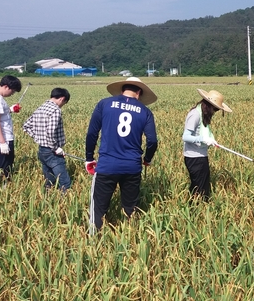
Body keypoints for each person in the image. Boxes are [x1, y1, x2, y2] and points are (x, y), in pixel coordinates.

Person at [86, 77, 158, 233]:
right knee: (130, 208)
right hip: (132, 166)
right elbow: (152, 141)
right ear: (139, 93)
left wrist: (89, 158)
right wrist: (147, 159)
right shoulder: (145, 111)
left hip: (106, 165)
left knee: (98, 207)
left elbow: (92, 133)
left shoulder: (104, 104)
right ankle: (131, 239)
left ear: (121, 90)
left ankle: (93, 242)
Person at [182, 89, 233, 200]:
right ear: (210, 106)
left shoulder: (203, 114)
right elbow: (185, 137)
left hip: (201, 156)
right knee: (200, 191)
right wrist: (203, 139)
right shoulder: (195, 114)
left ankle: (198, 213)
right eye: (215, 109)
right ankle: (194, 213)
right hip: (194, 158)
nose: (215, 112)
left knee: (202, 189)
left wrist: (210, 140)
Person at [23, 88, 71, 191]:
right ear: (62, 99)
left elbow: (26, 126)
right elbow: (50, 131)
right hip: (52, 152)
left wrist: (38, 138)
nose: (62, 105)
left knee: (49, 180)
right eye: (64, 103)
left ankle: (46, 199)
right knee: (64, 181)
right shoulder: (55, 110)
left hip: (42, 150)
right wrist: (55, 148)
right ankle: (64, 201)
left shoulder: (40, 108)